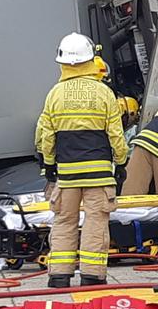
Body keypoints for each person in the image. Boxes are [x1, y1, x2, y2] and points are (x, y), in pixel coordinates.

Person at [39, 32, 128, 288]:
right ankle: (91, 275)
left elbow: (47, 135)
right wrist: (121, 162)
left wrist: (49, 166)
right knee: (95, 220)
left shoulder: (54, 94)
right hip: (99, 173)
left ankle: (59, 274)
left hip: (67, 174)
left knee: (64, 220)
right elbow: (115, 134)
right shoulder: (103, 93)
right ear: (91, 59)